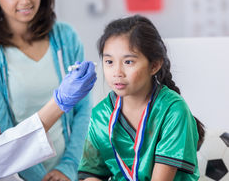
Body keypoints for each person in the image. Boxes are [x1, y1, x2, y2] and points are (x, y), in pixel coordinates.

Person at [0, 0, 94, 180]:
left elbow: (84, 111)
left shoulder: (65, 37)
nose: (25, 0)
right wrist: (59, 103)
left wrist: (69, 167)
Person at [78, 15, 205, 181]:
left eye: (128, 62)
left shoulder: (173, 110)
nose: (117, 72)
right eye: (109, 61)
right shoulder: (99, 115)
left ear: (154, 65)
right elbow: (90, 173)